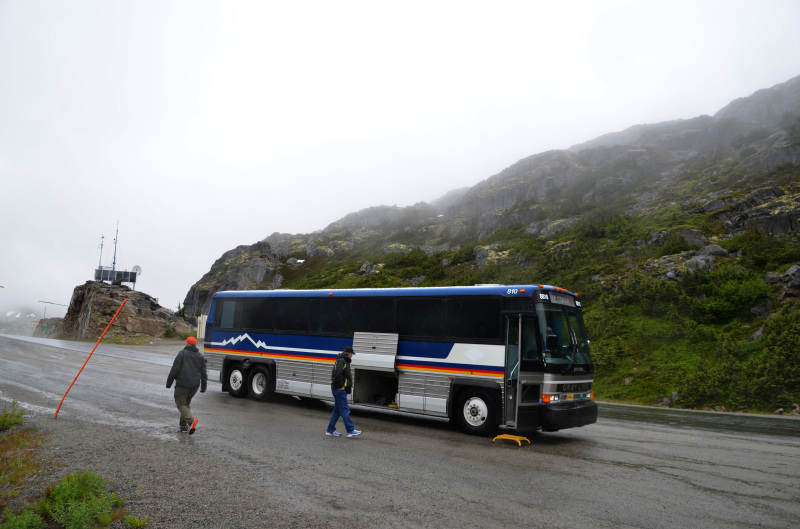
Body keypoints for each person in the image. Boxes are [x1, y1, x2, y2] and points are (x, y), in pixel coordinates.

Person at [166, 336, 207, 434]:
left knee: (181, 404)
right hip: (194, 386)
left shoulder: (182, 353)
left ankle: (191, 421)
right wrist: (204, 385)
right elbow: (204, 372)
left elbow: (175, 369)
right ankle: (183, 427)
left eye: (186, 342)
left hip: (182, 385)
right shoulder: (200, 356)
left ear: (188, 344)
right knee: (186, 404)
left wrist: (169, 383)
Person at [326, 346, 361, 438]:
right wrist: (341, 386)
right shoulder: (342, 361)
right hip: (339, 390)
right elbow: (336, 375)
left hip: (338, 389)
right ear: (349, 354)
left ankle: (330, 430)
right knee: (345, 410)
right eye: (352, 354)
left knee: (337, 411)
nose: (352, 356)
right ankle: (350, 431)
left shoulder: (343, 361)